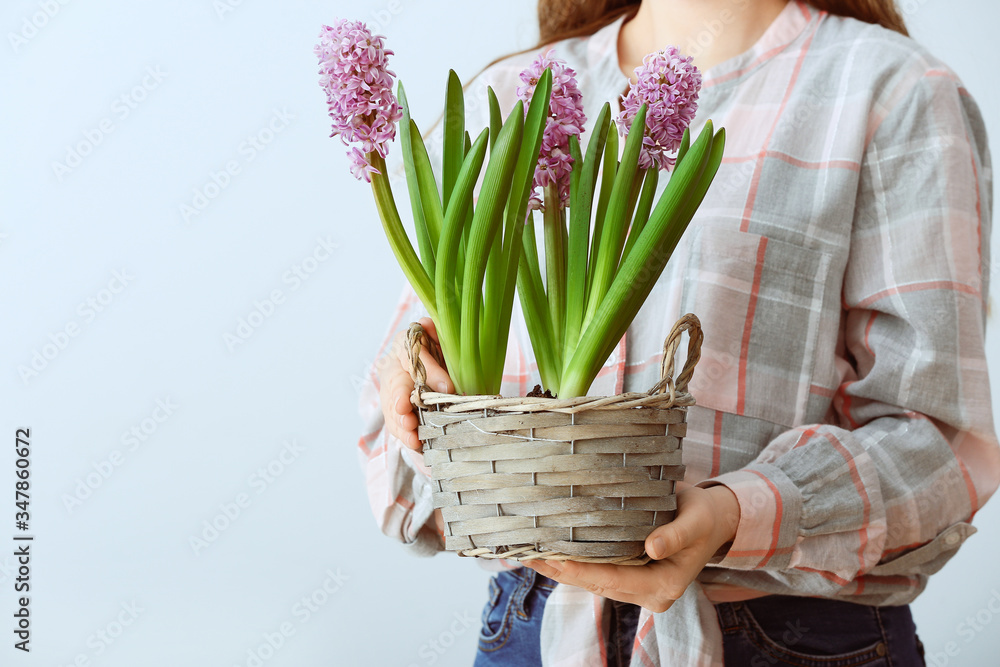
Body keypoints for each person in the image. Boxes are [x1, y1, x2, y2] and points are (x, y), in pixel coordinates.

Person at [357, 1, 999, 664]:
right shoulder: (517, 94)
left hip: (790, 637)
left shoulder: (894, 92)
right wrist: (417, 399)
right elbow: (398, 478)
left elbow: (938, 447)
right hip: (533, 624)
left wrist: (733, 515)